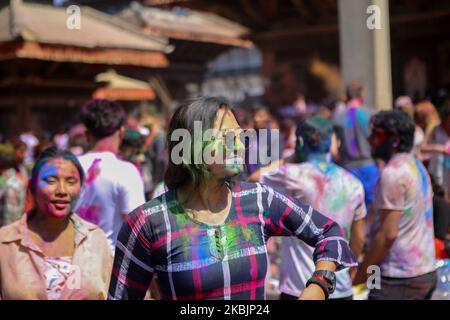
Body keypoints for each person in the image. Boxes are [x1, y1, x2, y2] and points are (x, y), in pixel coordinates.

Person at [108, 97, 357, 300]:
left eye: (240, 136)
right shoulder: (148, 223)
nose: (239, 145)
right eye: (227, 136)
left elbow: (329, 232)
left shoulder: (259, 200)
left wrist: (319, 285)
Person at [254, 116, 366, 300]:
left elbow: (254, 178)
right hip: (339, 285)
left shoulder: (291, 174)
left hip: (301, 289)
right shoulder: (353, 183)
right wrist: (349, 269)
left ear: (299, 142)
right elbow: (359, 239)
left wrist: (290, 157)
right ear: (331, 142)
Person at [0, 147, 112, 299]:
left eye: (71, 182)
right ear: (32, 187)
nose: (62, 190)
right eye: (51, 181)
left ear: (81, 188)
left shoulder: (95, 240)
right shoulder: (6, 242)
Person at [353, 110, 437, 300]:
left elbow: (388, 235)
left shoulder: (394, 173)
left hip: (400, 278)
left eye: (376, 134)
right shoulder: (416, 165)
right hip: (424, 271)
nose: (369, 139)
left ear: (394, 140)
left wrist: (361, 274)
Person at [75, 99, 146, 251]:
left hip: (71, 263)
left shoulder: (69, 167)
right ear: (121, 133)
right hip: (110, 265)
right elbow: (138, 228)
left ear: (87, 135)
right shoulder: (126, 172)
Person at [332, 81, 379, 209]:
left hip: (348, 169)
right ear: (361, 96)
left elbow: (333, 149)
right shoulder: (371, 115)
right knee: (373, 209)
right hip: (369, 167)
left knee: (352, 209)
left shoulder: (337, 117)